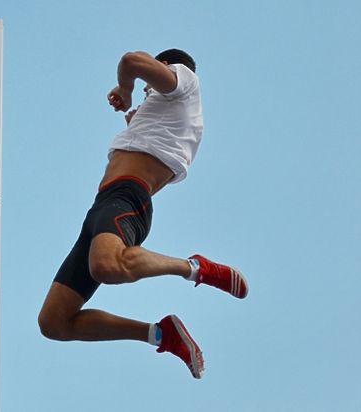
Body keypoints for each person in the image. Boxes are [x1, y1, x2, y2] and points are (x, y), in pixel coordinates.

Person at [38, 49, 248, 379]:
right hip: (102, 206)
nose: (147, 91)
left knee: (107, 266)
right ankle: (161, 334)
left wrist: (125, 87)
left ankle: (195, 268)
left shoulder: (185, 81)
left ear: (165, 67)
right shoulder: (166, 115)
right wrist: (135, 115)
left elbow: (131, 61)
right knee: (54, 322)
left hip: (127, 198)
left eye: (151, 85)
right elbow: (156, 139)